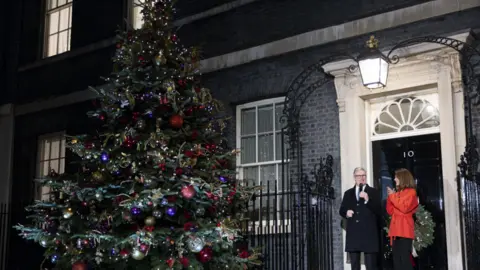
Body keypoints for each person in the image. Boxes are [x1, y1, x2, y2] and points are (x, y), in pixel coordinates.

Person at [340, 167, 381, 270]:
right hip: (354, 234)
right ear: (354, 177)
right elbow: (342, 210)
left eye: (363, 175)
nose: (361, 178)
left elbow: (379, 210)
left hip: (369, 234)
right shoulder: (348, 193)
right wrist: (346, 213)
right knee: (354, 265)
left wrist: (367, 199)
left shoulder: (373, 192)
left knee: (371, 265)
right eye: (359, 176)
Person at [386, 168, 419, 270]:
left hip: (404, 231)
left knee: (405, 261)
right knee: (397, 261)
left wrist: (393, 196)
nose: (394, 179)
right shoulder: (397, 193)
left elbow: (404, 208)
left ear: (402, 178)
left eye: (396, 177)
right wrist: (390, 197)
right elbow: (390, 211)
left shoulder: (411, 192)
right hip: (395, 231)